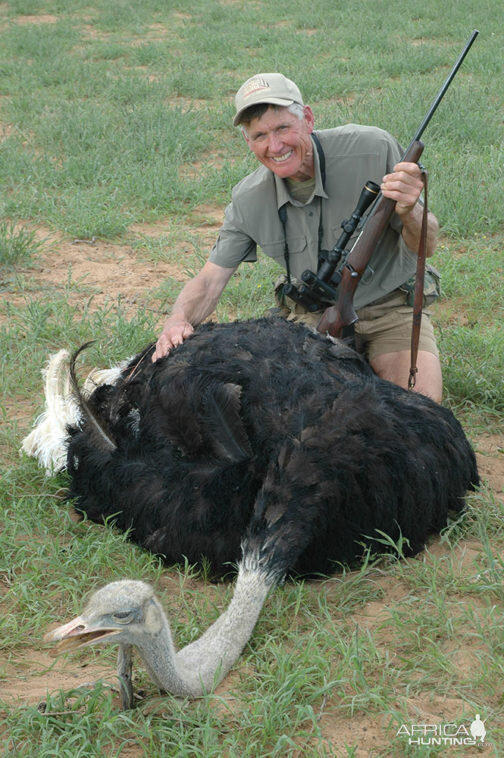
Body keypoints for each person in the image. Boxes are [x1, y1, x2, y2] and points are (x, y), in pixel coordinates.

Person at [152, 73, 442, 401]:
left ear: (308, 118)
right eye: (259, 135)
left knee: (418, 409)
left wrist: (410, 212)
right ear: (248, 142)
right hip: (313, 317)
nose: (274, 146)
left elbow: (425, 246)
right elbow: (208, 283)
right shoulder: (248, 199)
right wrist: (177, 320)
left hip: (389, 306)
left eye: (282, 128)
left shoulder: (372, 149)